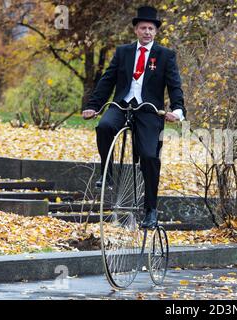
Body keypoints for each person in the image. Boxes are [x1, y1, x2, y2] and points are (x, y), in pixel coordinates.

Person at [82, 6, 186, 228]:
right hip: (122, 105)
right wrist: (93, 106)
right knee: (104, 127)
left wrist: (177, 110)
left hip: (148, 110)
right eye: (143, 28)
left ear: (155, 32)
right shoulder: (123, 52)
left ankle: (150, 209)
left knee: (149, 156)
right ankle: (107, 173)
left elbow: (174, 86)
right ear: (136, 30)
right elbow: (107, 81)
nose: (147, 32)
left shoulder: (165, 55)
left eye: (151, 28)